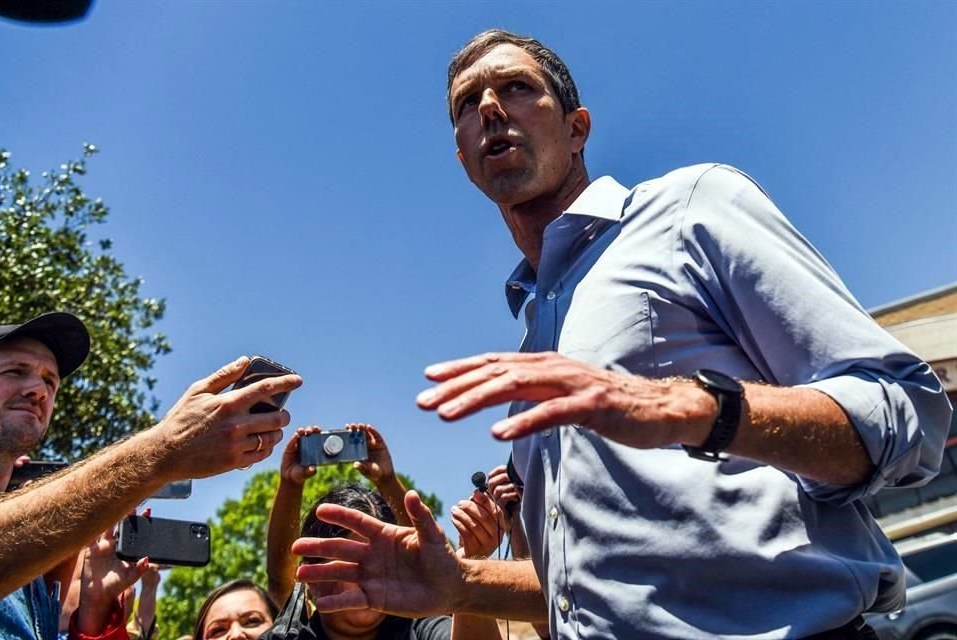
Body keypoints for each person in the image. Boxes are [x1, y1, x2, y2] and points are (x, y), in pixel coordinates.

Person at [294, 29, 953, 639]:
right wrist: (465, 583)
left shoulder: (691, 208)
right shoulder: (533, 351)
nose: (490, 107)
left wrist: (694, 408)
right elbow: (594, 590)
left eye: (517, 87)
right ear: (464, 154)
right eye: (467, 104)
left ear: (577, 128)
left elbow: (907, 410)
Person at [0, 311, 301, 621]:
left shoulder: (34, 578)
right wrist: (163, 449)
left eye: (51, 380)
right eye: (15, 371)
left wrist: (95, 613)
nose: (39, 389)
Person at [268, 426, 501, 640]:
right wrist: (290, 484)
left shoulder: (421, 629)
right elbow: (280, 582)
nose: (367, 576)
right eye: (352, 560)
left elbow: (423, 556)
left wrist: (470, 566)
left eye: (378, 562)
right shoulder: (288, 636)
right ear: (311, 576)